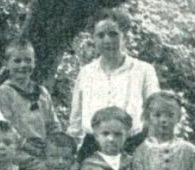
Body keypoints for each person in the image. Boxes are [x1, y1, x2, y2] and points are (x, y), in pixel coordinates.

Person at [68, 9, 160, 159]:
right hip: (92, 148)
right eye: (100, 35)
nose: (107, 40)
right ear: (93, 38)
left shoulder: (144, 70)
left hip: (131, 147)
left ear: (124, 36)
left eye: (113, 34)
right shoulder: (86, 73)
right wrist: (71, 154)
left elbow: (155, 113)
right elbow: (76, 121)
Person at [0, 38, 61, 170]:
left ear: (34, 62)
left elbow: (53, 124)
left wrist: (56, 143)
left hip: (43, 149)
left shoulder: (42, 92)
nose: (23, 65)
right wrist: (27, 146)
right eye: (17, 61)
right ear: (7, 64)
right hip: (18, 151)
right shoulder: (4, 93)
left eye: (28, 60)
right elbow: (5, 129)